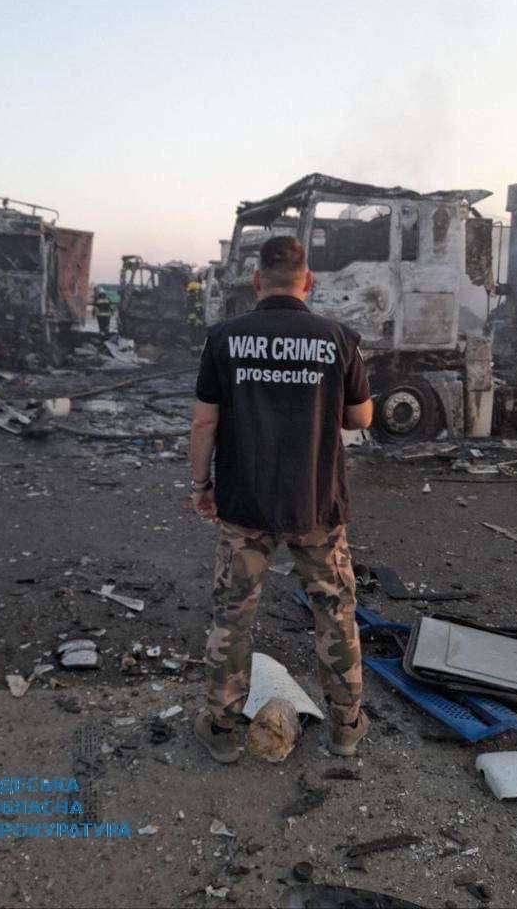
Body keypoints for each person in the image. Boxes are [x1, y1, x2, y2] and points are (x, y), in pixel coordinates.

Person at [189, 235, 373, 764]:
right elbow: (360, 418)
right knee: (335, 614)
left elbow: (204, 422)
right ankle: (345, 728)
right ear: (307, 280)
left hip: (244, 504)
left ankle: (222, 732)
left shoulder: (224, 338)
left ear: (256, 281)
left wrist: (201, 485)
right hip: (316, 504)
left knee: (233, 617)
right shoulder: (338, 339)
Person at [186, 279, 204, 353]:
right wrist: (195, 320)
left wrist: (201, 318)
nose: (198, 291)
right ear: (193, 290)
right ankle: (194, 352)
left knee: (199, 335)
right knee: (194, 336)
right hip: (193, 321)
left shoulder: (196, 298)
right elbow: (191, 311)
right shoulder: (190, 299)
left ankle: (199, 350)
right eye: (197, 290)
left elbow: (199, 309)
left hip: (198, 320)